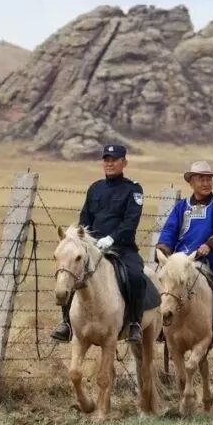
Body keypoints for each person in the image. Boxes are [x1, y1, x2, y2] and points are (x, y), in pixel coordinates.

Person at [51, 144, 146, 343]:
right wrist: (81, 239)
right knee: (71, 271)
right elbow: (85, 219)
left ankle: (134, 323)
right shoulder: (95, 188)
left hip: (122, 248)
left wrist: (112, 238)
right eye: (106, 160)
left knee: (136, 276)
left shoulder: (133, 189)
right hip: (92, 248)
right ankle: (66, 323)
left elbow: (130, 221)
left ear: (124, 163)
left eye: (114, 160)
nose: (109, 164)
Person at [156, 161, 213, 354]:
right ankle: (162, 327)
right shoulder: (181, 207)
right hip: (183, 260)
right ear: (191, 182)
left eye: (208, 179)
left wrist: (209, 245)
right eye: (201, 179)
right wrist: (163, 248)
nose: (206, 183)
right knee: (163, 288)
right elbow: (170, 229)